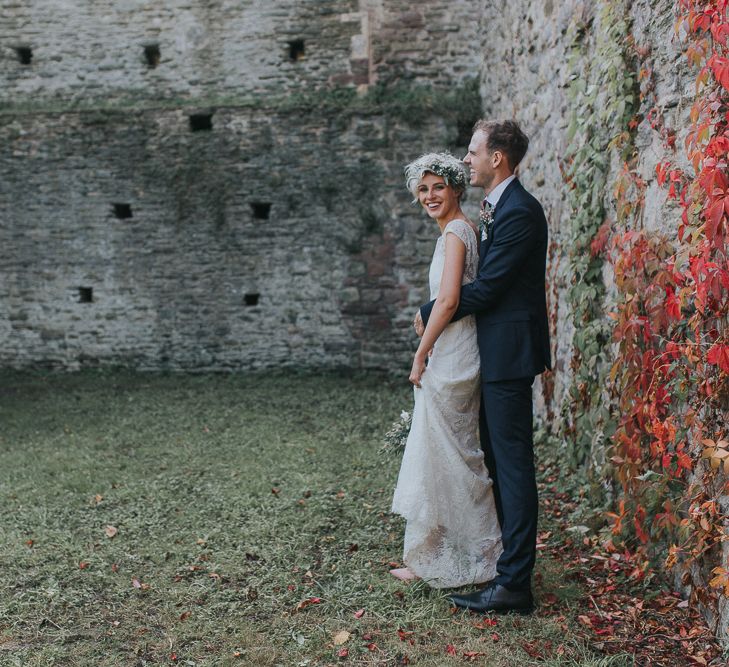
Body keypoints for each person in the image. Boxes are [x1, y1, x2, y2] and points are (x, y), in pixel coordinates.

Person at [416, 120, 551, 614]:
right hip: (494, 353)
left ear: (497, 158)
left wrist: (433, 309)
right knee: (497, 460)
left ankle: (514, 584)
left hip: (509, 355)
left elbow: (490, 288)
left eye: (473, 152)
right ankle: (502, 564)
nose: (466, 160)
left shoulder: (520, 212)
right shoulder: (496, 209)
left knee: (512, 467)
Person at [391, 152, 503, 589]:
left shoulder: (457, 232)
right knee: (442, 453)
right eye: (423, 189)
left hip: (455, 356)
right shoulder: (454, 232)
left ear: (456, 187)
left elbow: (451, 300)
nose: (430, 195)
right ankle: (433, 553)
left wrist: (422, 352)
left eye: (438, 186)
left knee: (456, 456)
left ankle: (482, 554)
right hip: (453, 348)